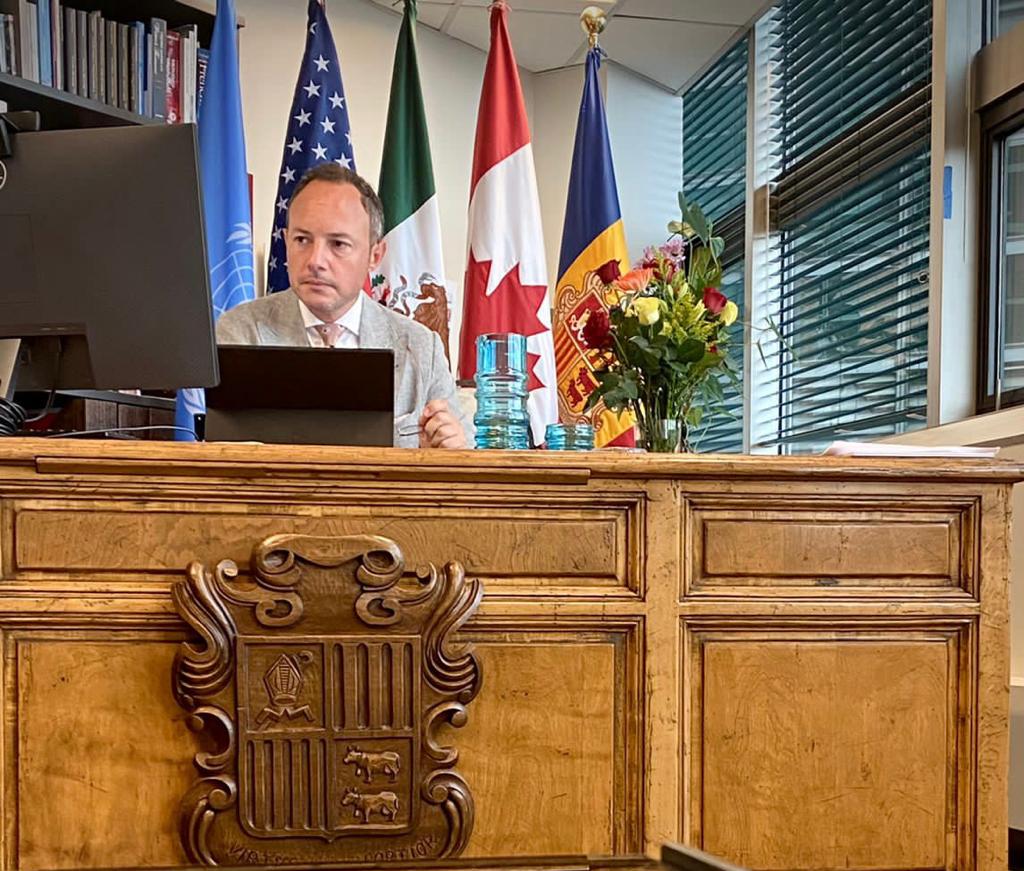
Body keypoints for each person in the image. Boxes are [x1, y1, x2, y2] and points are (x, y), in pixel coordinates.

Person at [216, 165, 470, 449]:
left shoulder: (421, 348)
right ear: (286, 242)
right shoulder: (241, 333)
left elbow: (465, 451)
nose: (315, 261)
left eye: (338, 244)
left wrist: (452, 449)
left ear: (375, 255)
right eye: (302, 240)